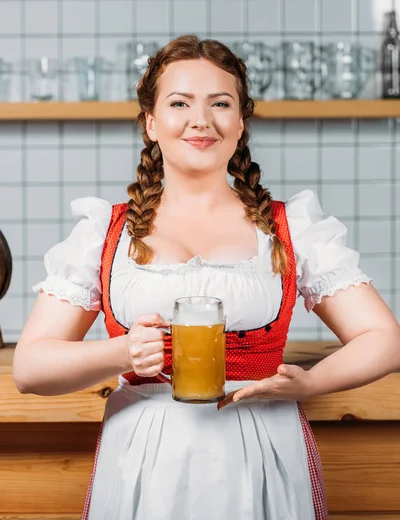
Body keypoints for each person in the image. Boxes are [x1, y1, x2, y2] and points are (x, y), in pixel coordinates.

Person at [12, 34, 400, 520]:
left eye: (221, 103)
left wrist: (310, 384)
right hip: (144, 453)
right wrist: (121, 351)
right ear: (151, 122)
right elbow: (30, 369)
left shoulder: (290, 227)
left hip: (261, 446)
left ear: (240, 122)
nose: (202, 119)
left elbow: (384, 339)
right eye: (180, 103)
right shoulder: (103, 231)